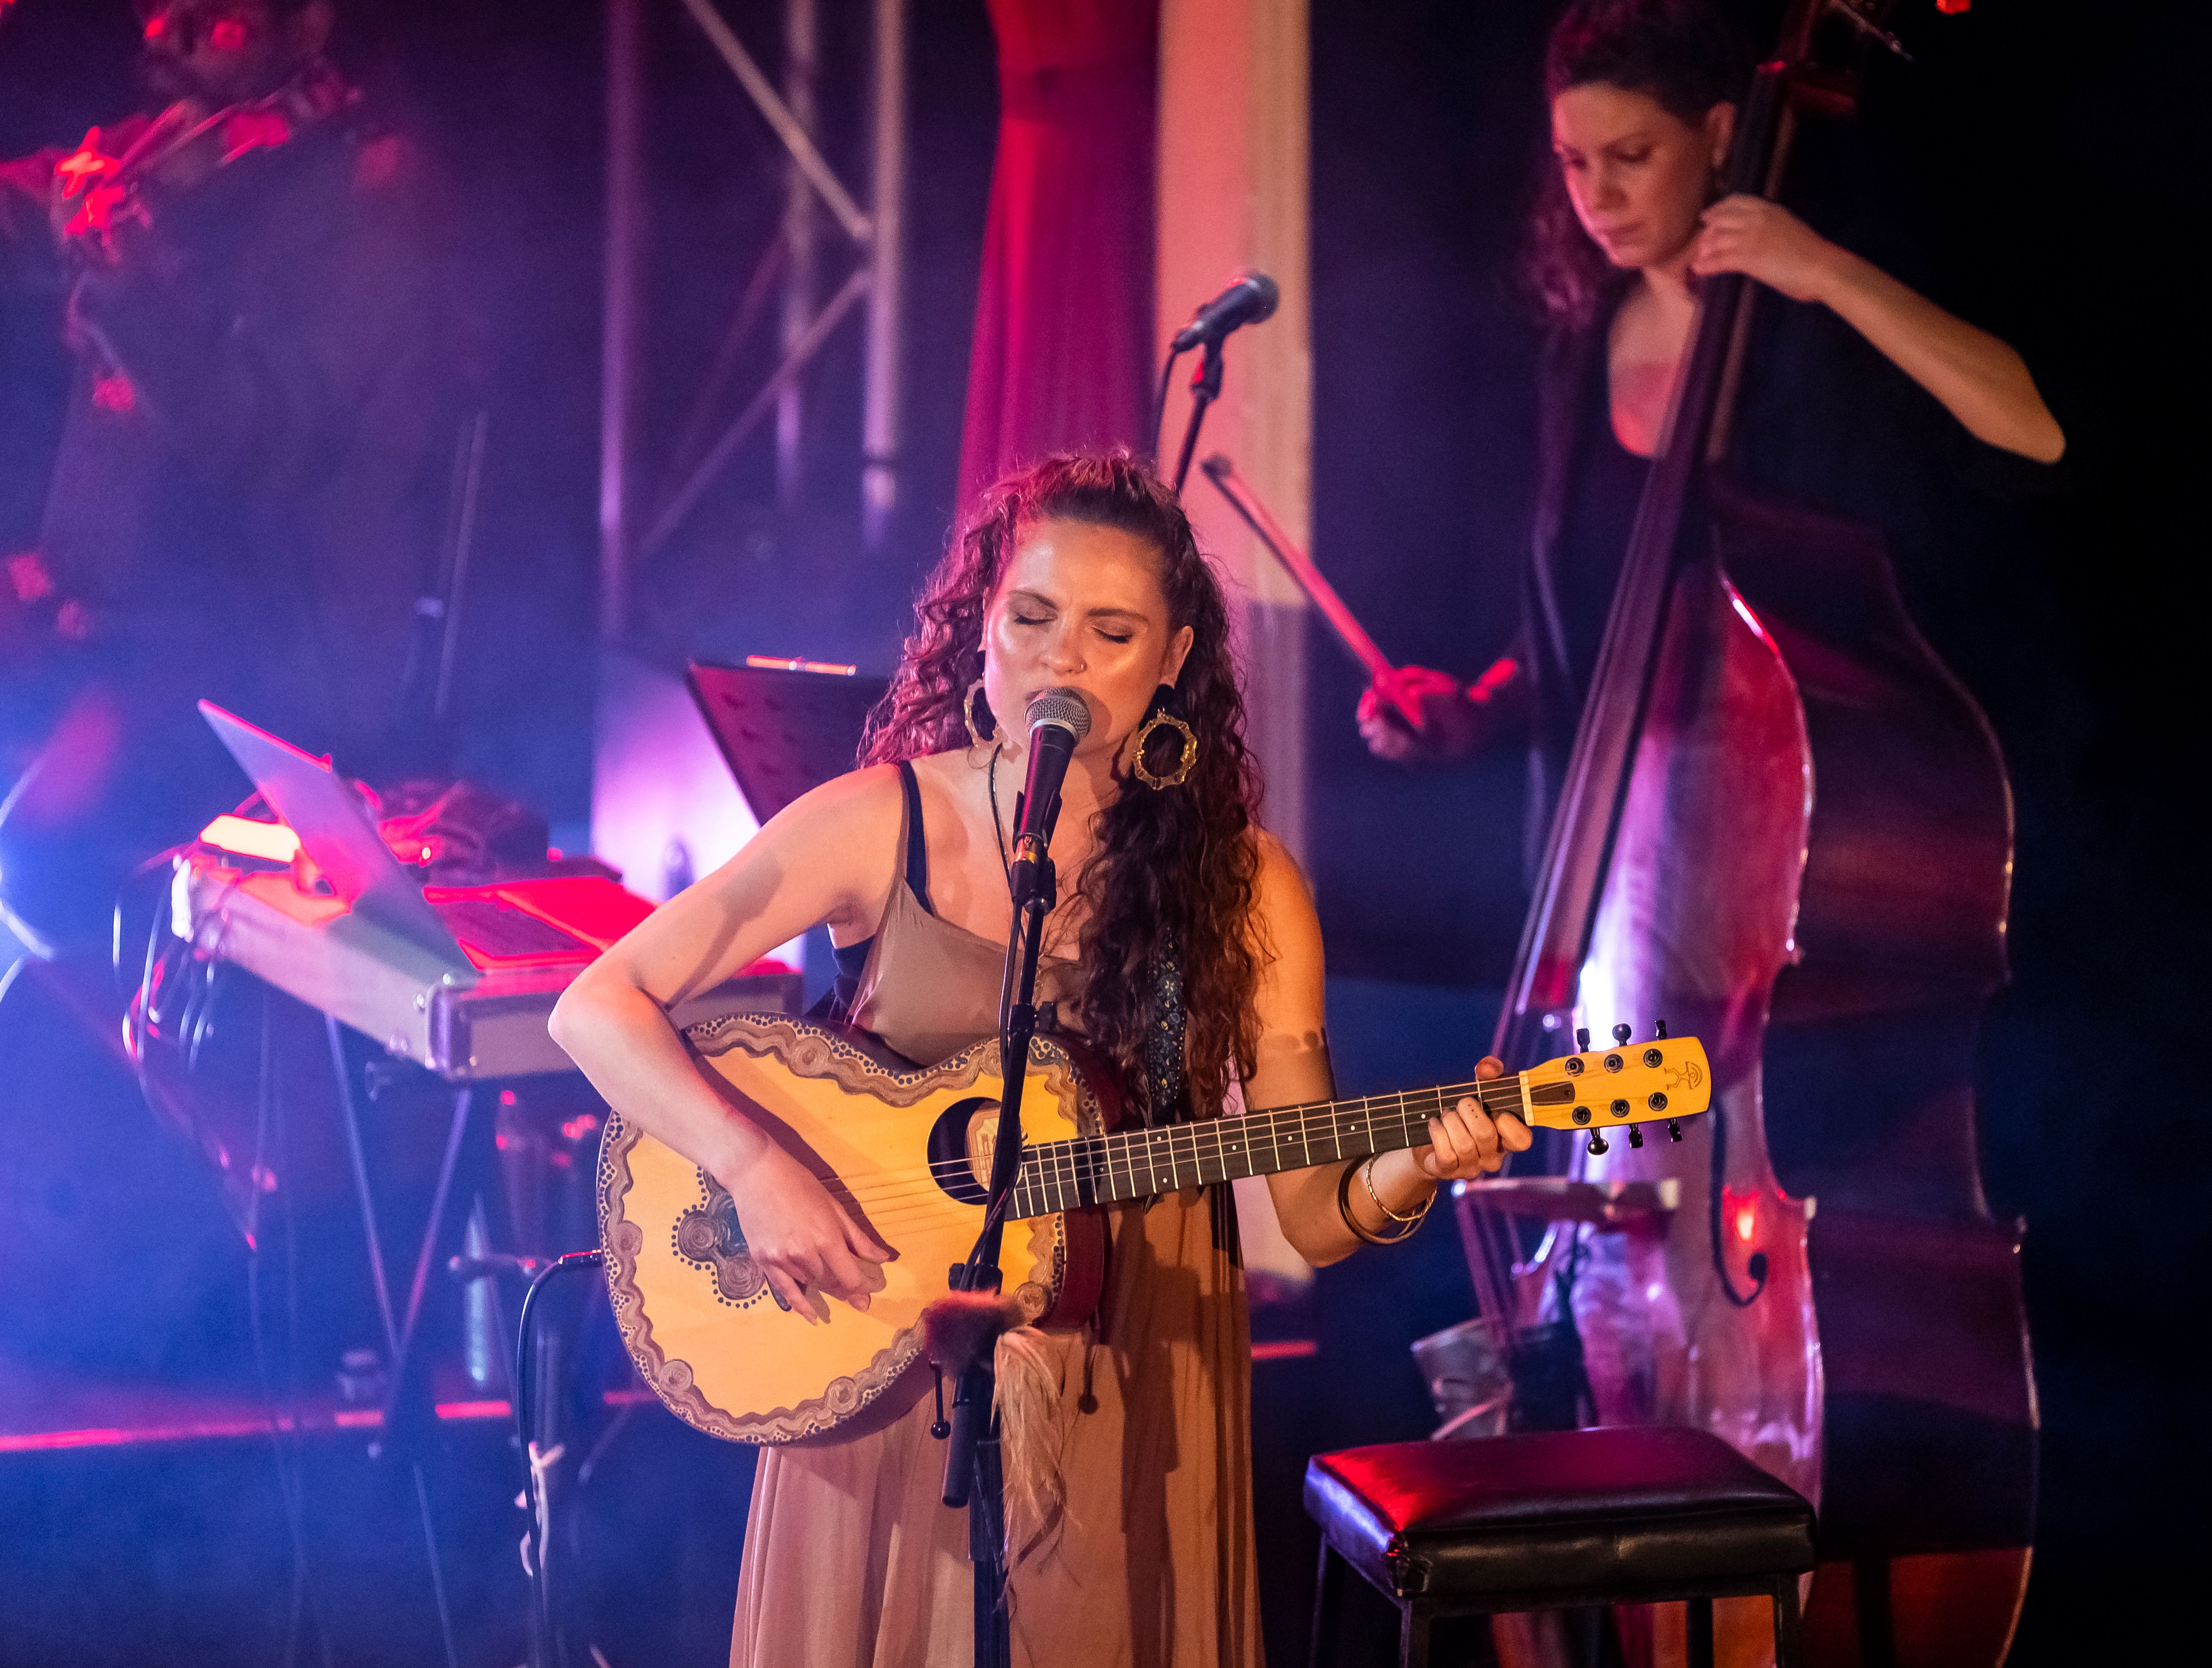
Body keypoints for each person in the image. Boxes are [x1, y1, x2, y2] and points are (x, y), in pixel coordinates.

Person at [550, 451, 1531, 1667]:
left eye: (1110, 632)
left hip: (1135, 1365)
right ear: (980, 633)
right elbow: (598, 1005)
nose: (1059, 659)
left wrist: (1416, 1169)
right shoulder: (878, 818)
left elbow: (1318, 1220)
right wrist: (756, 1171)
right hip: (886, 1344)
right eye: (1031, 617)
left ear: (1172, 664)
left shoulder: (1249, 886)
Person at [1356, 0, 2065, 846]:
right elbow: (1604, 618)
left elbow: (2035, 433)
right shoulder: (1579, 352)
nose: (1597, 197)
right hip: (1606, 861)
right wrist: (1483, 706)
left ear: (1721, 136)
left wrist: (1827, 273)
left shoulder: (1812, 332)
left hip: (1805, 838)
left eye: (1632, 157)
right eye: (1573, 163)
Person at [0, 0, 457, 961]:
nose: (165, 37)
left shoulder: (374, 200)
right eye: (157, 12)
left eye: (212, 16)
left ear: (311, 22)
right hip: (107, 618)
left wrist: (132, 294)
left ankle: (118, 1086)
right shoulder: (168, 153)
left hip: (269, 655)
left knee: (39, 852)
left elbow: (265, 439)